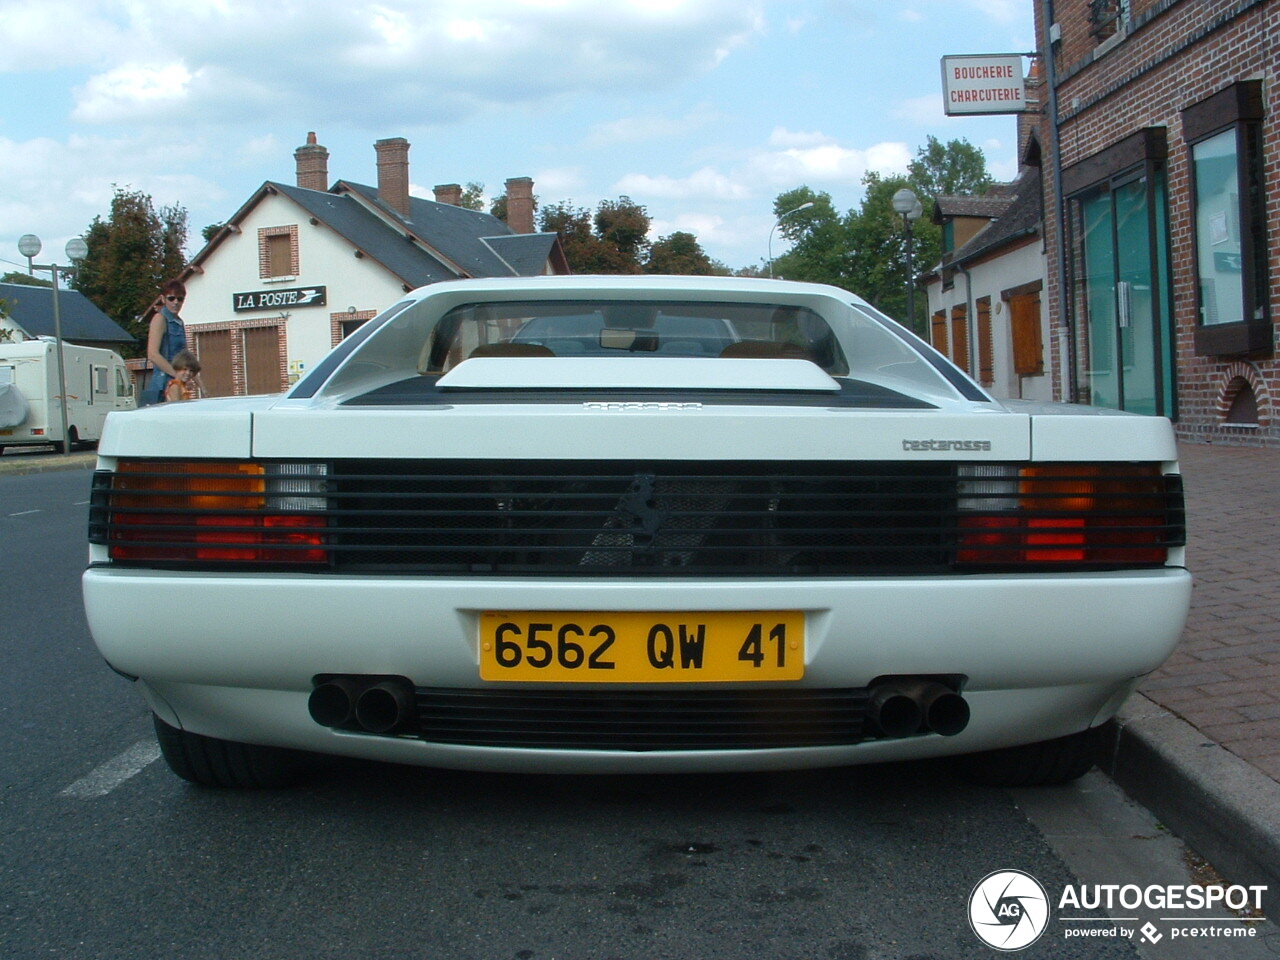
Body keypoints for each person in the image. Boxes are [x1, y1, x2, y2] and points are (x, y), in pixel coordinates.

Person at [146, 280, 189, 403]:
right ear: (163, 299)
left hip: (177, 383)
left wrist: (200, 383)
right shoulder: (159, 319)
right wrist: (176, 374)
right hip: (163, 382)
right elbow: (153, 354)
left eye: (180, 299)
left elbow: (185, 358)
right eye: (171, 298)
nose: (176, 302)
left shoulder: (179, 323)